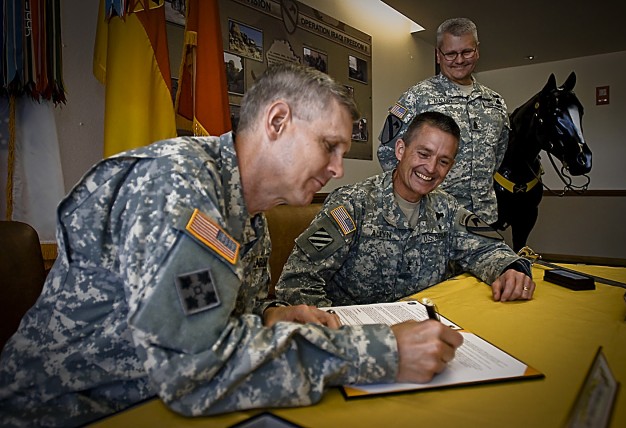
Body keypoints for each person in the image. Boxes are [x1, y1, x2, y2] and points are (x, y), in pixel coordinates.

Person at [0, 64, 463, 427]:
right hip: (69, 414)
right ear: (277, 121)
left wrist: (271, 314)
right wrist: (383, 351)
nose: (338, 169)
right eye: (329, 147)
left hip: (152, 402)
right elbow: (196, 368)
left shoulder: (251, 214)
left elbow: (224, 315)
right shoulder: (175, 184)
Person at [276, 111, 535, 307]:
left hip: (424, 332)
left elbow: (487, 248)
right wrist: (338, 335)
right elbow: (297, 282)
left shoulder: (447, 208)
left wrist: (510, 269)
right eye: (423, 154)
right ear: (401, 149)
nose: (431, 169)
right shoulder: (353, 205)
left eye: (443, 161)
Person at [377, 17, 509, 225]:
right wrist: (418, 193)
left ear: (477, 50)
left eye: (466, 52)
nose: (459, 60)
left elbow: (498, 155)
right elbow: (387, 153)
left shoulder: (495, 103)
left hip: (483, 218)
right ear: (438, 55)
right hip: (434, 219)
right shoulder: (416, 97)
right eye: (450, 54)